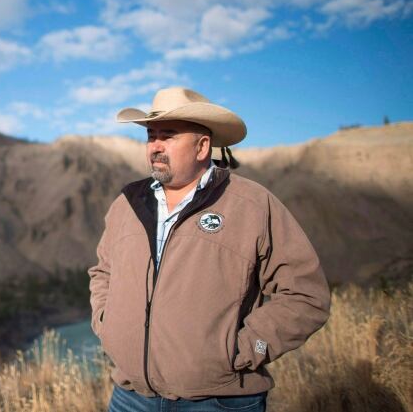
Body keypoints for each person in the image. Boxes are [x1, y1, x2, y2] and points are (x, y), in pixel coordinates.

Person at [88, 87, 330, 412]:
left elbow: (305, 295)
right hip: (131, 397)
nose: (155, 146)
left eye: (169, 136)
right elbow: (103, 271)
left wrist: (240, 349)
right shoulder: (127, 204)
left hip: (219, 400)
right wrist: (107, 325)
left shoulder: (252, 205)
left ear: (203, 146)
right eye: (151, 136)